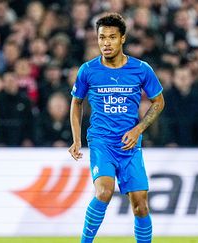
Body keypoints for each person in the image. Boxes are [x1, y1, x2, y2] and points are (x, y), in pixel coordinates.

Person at [68, 13, 165, 243]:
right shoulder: (88, 70)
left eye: (112, 37)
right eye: (102, 38)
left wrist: (138, 129)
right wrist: (76, 139)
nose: (106, 43)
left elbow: (159, 101)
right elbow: (76, 103)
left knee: (140, 205)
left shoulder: (141, 69)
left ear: (123, 38)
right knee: (103, 192)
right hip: (102, 142)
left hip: (130, 144)